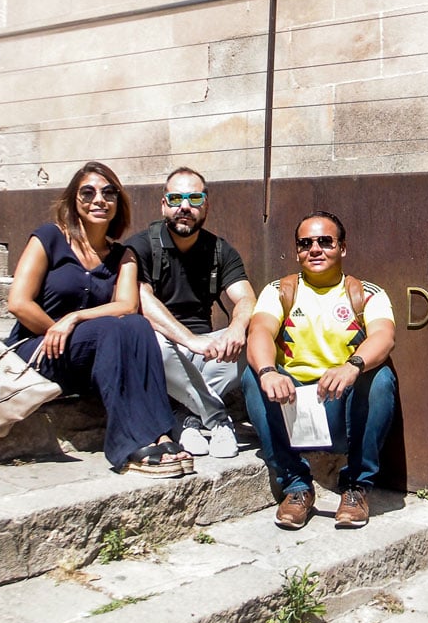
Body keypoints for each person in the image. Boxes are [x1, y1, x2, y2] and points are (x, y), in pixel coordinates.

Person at [6, 161, 192, 477]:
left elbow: (127, 305)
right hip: (39, 349)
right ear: (73, 201)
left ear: (118, 203)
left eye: (109, 193)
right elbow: (18, 303)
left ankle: (160, 432)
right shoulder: (50, 238)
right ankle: (129, 446)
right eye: (88, 192)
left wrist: (75, 318)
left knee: (135, 324)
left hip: (91, 361)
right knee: (112, 329)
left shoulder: (123, 255)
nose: (99, 200)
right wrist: (56, 328)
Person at [243, 211, 397, 529]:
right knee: (253, 374)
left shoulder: (367, 294)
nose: (315, 249)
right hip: (293, 407)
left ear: (342, 248)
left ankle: (355, 488)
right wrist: (269, 371)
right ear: (297, 250)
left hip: (341, 408)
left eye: (325, 241)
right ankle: (296, 487)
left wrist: (352, 366)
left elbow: (384, 336)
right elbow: (258, 331)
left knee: (380, 377)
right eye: (305, 243)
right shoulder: (279, 292)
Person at [126, 167, 256, 458]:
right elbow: (142, 299)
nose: (184, 206)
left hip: (206, 353)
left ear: (206, 205)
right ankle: (217, 418)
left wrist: (236, 328)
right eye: (175, 198)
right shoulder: (141, 245)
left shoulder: (220, 251)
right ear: (163, 204)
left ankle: (186, 417)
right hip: (164, 348)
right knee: (152, 341)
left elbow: (246, 297)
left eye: (194, 198)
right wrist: (188, 340)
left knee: (258, 336)